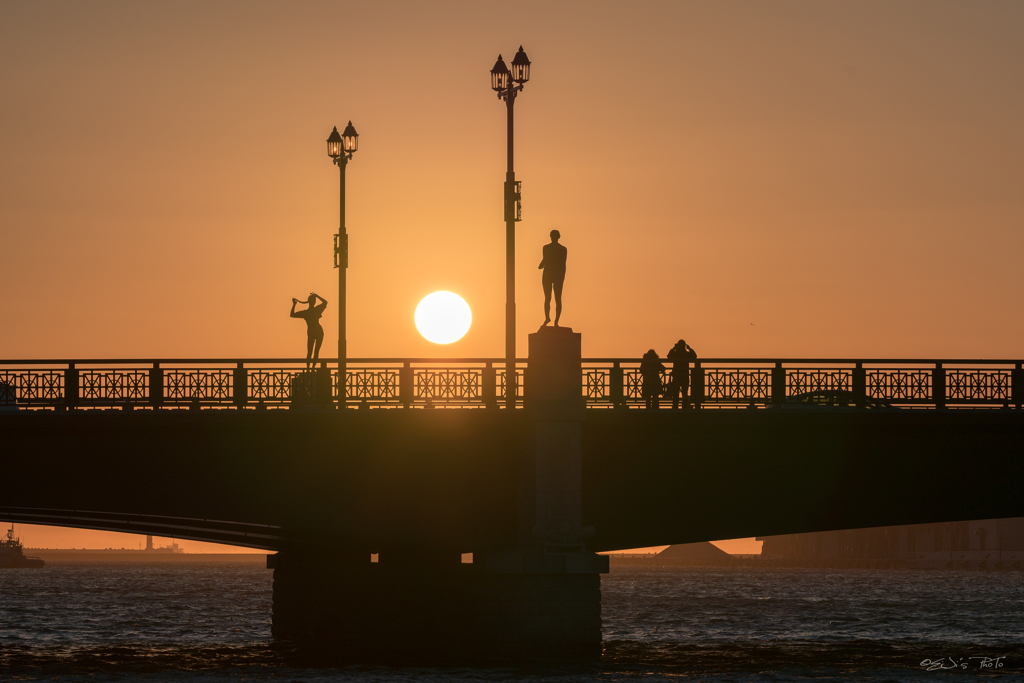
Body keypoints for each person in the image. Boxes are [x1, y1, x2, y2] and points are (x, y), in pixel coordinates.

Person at [290, 292, 328, 367]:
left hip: (316, 332)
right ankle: (310, 369)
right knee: (313, 351)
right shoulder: (315, 310)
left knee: (312, 351)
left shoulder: (308, 312)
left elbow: (292, 314)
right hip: (315, 332)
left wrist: (294, 304)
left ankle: (310, 369)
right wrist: (317, 296)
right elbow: (325, 302)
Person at [538, 230, 567, 326]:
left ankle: (553, 320)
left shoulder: (547, 248)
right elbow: (562, 264)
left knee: (551, 298)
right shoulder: (562, 249)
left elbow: (545, 260)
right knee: (552, 298)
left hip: (551, 274)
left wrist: (541, 265)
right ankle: (550, 319)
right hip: (554, 275)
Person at [666, 339, 698, 409]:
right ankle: (684, 406)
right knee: (684, 393)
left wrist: (673, 348)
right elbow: (694, 356)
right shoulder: (686, 354)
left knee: (675, 392)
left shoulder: (675, 354)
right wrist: (690, 349)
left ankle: (675, 406)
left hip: (676, 375)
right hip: (684, 375)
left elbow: (668, 356)